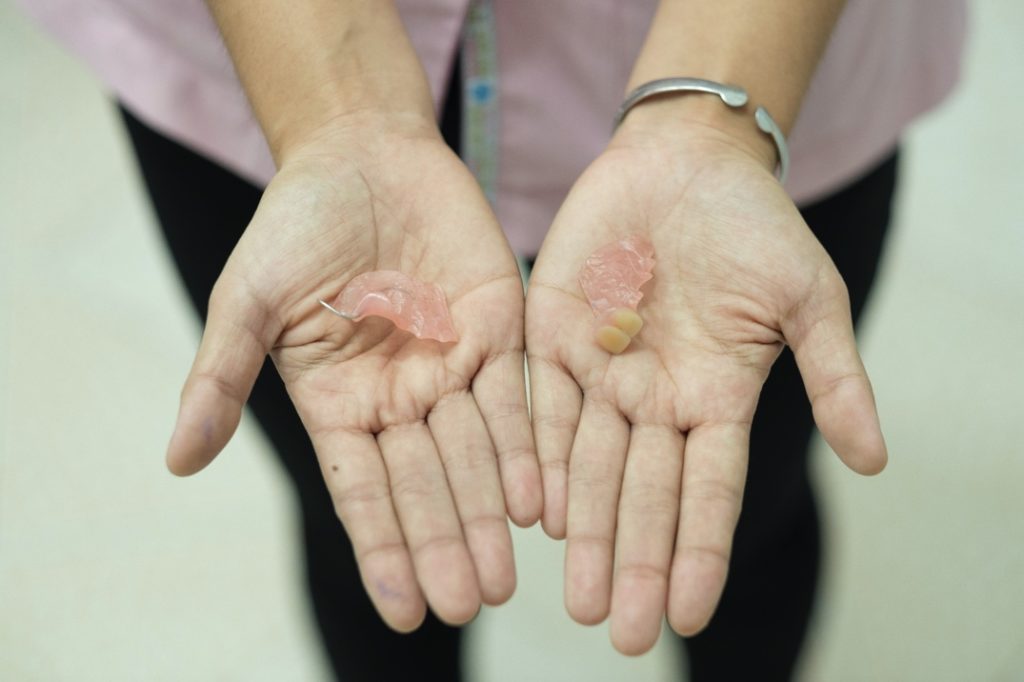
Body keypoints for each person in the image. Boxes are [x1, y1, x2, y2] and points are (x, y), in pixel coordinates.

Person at [18, 0, 966, 678]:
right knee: (363, 511)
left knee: (744, 505)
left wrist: (714, 118)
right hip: (267, 52)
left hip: (769, 56)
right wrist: (333, 110)